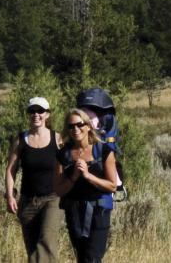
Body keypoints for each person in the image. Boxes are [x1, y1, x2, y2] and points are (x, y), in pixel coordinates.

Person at [54, 108, 119, 263]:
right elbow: (58, 190)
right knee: (82, 257)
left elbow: (112, 186)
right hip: (74, 213)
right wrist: (74, 177)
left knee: (92, 258)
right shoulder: (63, 154)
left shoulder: (103, 149)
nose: (75, 129)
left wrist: (88, 176)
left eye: (79, 124)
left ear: (89, 126)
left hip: (99, 211)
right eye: (71, 126)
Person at [5, 96, 63, 263]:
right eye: (32, 111)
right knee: (32, 249)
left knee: (46, 241)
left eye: (40, 111)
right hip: (28, 200)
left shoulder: (58, 139)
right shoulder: (20, 140)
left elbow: (69, 165)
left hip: (53, 198)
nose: (36, 114)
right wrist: (10, 195)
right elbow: (11, 170)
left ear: (48, 114)